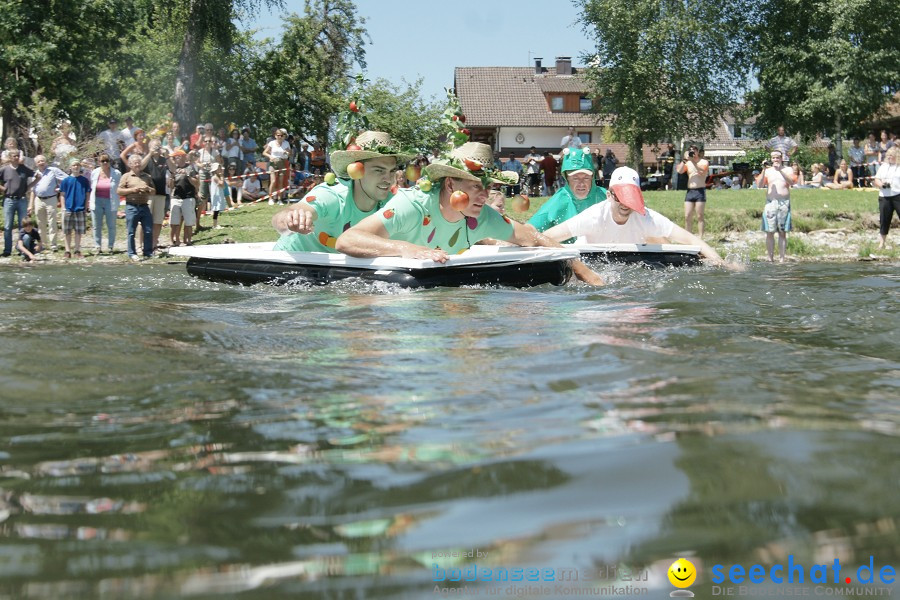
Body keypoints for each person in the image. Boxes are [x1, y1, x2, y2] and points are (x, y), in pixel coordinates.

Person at [334, 141, 604, 285]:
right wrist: (406, 248)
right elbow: (347, 240)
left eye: (487, 187)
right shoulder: (411, 206)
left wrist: (583, 272)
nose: (485, 195)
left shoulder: (483, 216)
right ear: (450, 184)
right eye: (476, 187)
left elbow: (532, 236)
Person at [543, 166, 733, 267]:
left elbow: (690, 239)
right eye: (621, 198)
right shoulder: (593, 217)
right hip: (587, 264)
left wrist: (721, 263)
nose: (626, 205)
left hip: (627, 265)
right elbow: (550, 236)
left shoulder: (646, 217)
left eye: (630, 198)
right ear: (609, 195)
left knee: (661, 239)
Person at [272, 131, 412, 253]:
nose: (388, 179)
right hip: (291, 263)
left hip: (335, 271)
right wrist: (292, 219)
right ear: (356, 171)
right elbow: (284, 217)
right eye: (379, 170)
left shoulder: (390, 204)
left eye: (392, 170)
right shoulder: (332, 195)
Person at [528, 146, 607, 237]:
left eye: (586, 178)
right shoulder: (558, 201)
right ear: (567, 178)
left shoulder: (606, 197)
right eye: (575, 178)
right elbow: (530, 229)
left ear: (592, 178)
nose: (581, 183)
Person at [755, 150, 794, 262]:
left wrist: (780, 170)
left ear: (781, 158)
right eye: (773, 158)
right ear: (771, 159)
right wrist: (763, 169)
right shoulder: (768, 171)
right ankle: (770, 258)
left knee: (782, 232)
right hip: (771, 203)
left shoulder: (787, 169)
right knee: (769, 231)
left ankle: (782, 258)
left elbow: (791, 182)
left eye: (777, 157)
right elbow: (759, 185)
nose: (775, 160)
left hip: (784, 203)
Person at [1, 149, 39, 257]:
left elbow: (37, 176)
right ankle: (7, 250)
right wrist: (3, 189)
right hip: (9, 200)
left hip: (22, 199)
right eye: (14, 156)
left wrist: (29, 187)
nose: (16, 158)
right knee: (8, 226)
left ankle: (22, 248)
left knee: (23, 226)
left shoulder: (24, 169)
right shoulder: (5, 169)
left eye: (18, 156)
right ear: (10, 157)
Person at [118, 154, 156, 261]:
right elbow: (119, 191)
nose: (138, 164)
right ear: (130, 164)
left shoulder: (147, 176)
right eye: (135, 162)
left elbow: (154, 191)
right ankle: (132, 253)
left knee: (148, 230)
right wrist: (133, 190)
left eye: (139, 162)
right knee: (131, 231)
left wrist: (147, 188)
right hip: (131, 206)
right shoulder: (126, 176)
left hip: (144, 206)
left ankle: (148, 252)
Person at [30, 154, 67, 252]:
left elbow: (67, 179)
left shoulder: (53, 170)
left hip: (51, 199)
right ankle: (42, 244)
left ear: (46, 161)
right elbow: (33, 190)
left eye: (42, 161)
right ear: (36, 164)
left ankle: (53, 244)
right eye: (39, 162)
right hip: (39, 200)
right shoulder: (35, 174)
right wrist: (30, 205)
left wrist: (60, 188)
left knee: (52, 222)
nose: (41, 163)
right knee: (40, 223)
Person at [58, 158, 91, 259]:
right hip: (68, 208)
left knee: (78, 231)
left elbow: (87, 194)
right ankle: (67, 251)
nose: (75, 167)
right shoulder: (65, 181)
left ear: (80, 167)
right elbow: (62, 194)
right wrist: (63, 207)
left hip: (80, 208)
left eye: (77, 165)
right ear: (70, 167)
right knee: (67, 231)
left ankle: (77, 250)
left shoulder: (84, 180)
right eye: (73, 165)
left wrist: (86, 207)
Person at [89, 152, 121, 253]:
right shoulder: (94, 172)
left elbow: (120, 186)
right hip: (97, 200)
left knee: (111, 225)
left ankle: (110, 246)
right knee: (96, 225)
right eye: (103, 161)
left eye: (107, 161)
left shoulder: (116, 173)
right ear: (99, 162)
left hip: (110, 201)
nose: (105, 163)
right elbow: (91, 186)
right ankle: (97, 246)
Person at [165, 149, 198, 247]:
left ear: (183, 157)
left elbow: (197, 183)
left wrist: (187, 175)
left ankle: (188, 240)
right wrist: (172, 176)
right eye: (174, 157)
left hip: (188, 196)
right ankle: (174, 240)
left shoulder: (190, 168)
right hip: (176, 197)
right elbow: (170, 186)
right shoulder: (173, 169)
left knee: (188, 221)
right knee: (174, 222)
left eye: (177, 157)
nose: (175, 159)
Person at [675, 145, 710, 237]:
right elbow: (679, 170)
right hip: (690, 191)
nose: (692, 152)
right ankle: (688, 236)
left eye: (694, 150)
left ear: (698, 152)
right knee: (687, 216)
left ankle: (701, 236)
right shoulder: (688, 163)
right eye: (690, 150)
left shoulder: (704, 162)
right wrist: (684, 160)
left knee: (700, 215)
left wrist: (693, 161)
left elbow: (702, 171)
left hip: (700, 191)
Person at [141, 141, 170, 250]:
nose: (157, 148)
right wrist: (150, 154)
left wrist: (167, 156)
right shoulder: (146, 158)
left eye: (159, 146)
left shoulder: (163, 160)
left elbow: (173, 169)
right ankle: (142, 244)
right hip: (149, 194)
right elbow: (140, 167)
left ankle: (154, 244)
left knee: (158, 221)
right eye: (155, 146)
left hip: (161, 193)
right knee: (145, 220)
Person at [873, 146, 900, 250]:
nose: (889, 157)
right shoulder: (884, 166)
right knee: (884, 219)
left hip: (898, 194)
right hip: (884, 196)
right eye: (888, 155)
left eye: (891, 155)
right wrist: (881, 184)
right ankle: (882, 243)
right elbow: (877, 179)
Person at [263, 128, 291, 204]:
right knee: (273, 181)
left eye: (282, 135)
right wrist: (270, 156)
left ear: (284, 136)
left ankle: (279, 199)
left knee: (280, 182)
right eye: (278, 135)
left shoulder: (286, 143)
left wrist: (287, 153)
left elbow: (290, 153)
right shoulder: (271, 143)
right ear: (275, 136)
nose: (280, 137)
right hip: (273, 162)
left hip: (282, 162)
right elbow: (264, 152)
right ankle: (270, 199)